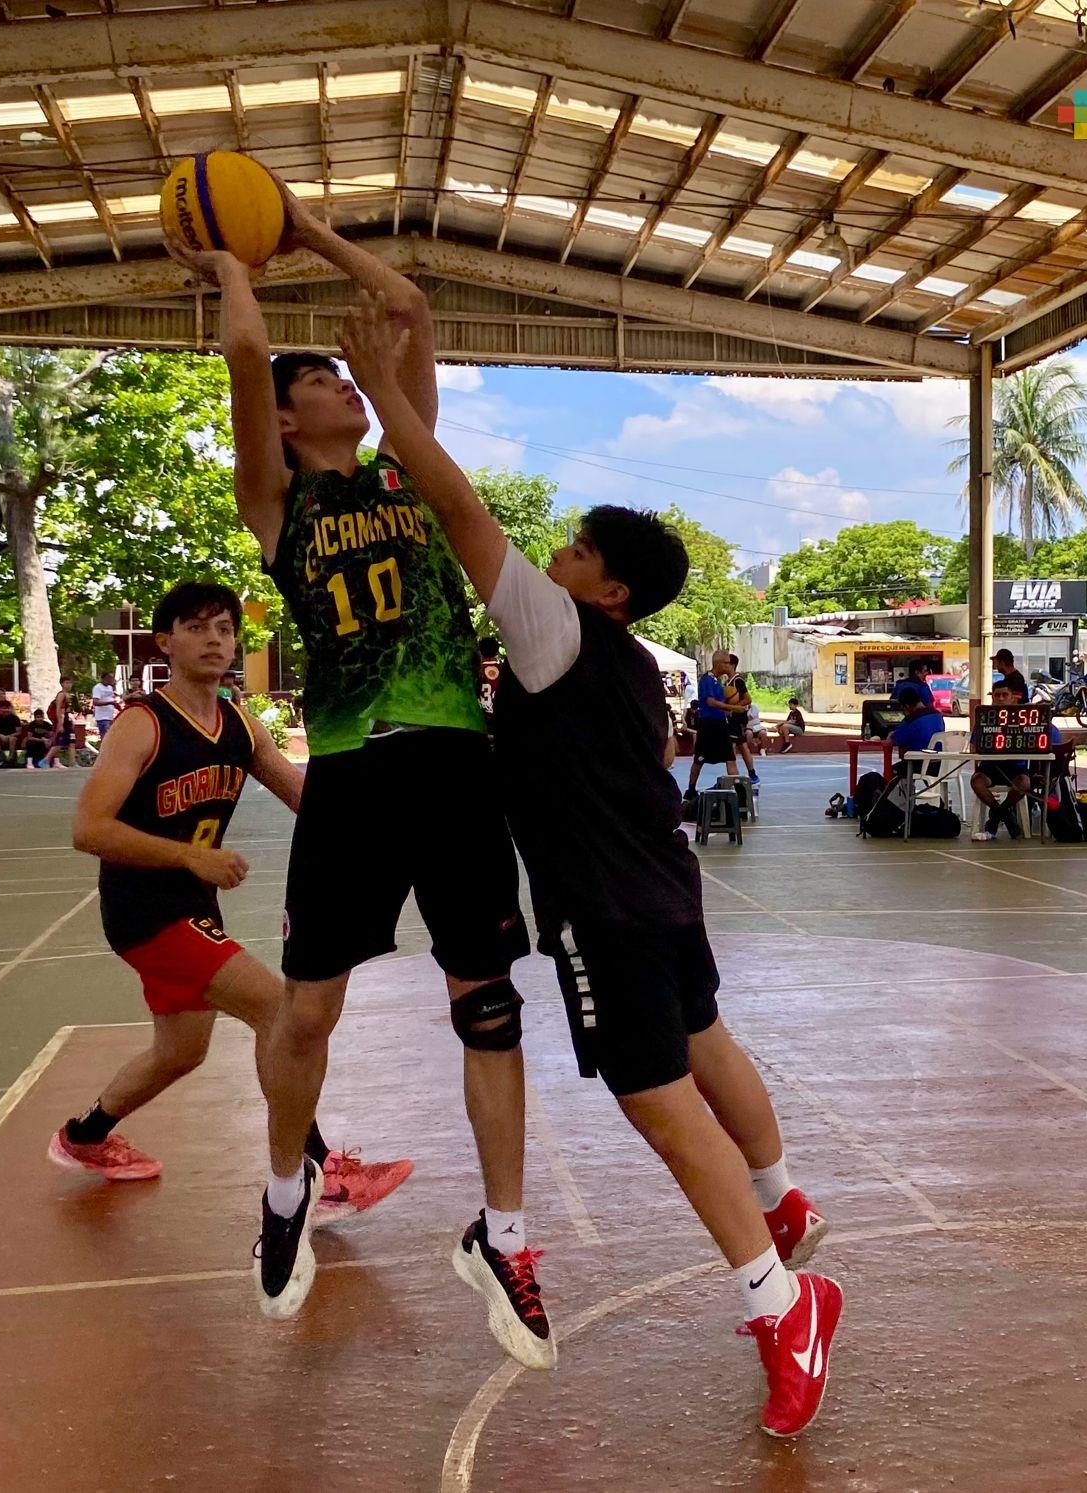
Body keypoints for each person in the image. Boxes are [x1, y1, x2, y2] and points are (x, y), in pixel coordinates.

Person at [338, 291, 840, 1437]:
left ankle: (782, 1300)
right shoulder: (628, 662)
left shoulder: (554, 631)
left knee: (657, 1101)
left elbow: (457, 507)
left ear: (604, 586)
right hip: (666, 888)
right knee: (707, 1041)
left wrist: (389, 394)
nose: (547, 554)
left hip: (606, 908)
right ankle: (780, 1197)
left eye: (570, 549)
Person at [176, 188, 545, 1365]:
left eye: (344, 380)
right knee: (311, 1006)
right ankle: (286, 1187)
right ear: (285, 424)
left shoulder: (404, 476)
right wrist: (239, 257)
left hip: (454, 765)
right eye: (320, 384)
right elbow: (243, 351)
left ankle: (506, 1230)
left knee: (487, 1001)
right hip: (350, 770)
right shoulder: (278, 502)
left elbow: (407, 307)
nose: (343, 384)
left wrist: (312, 233)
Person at [61, 580, 412, 1219]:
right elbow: (89, 828)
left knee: (181, 1051)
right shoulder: (143, 724)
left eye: (225, 628)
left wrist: (385, 820)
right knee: (281, 1012)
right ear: (165, 642)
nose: (216, 639)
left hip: (194, 909)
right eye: (197, 628)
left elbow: (307, 799)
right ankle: (318, 1175)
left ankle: (84, 1136)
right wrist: (190, 855)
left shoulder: (238, 724)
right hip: (147, 910)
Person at [968, 682, 1062, 842]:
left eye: (1005, 695)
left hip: (1016, 769)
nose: (1000, 699)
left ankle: (996, 817)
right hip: (989, 768)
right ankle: (1007, 815)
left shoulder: (1026, 718)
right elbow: (973, 748)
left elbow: (1051, 736)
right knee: (976, 782)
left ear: (1013, 698)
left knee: (1025, 784)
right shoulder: (984, 719)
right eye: (997, 695)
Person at [687, 651, 737, 797]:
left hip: (720, 723)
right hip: (708, 724)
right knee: (700, 758)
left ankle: (739, 792)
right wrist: (731, 707)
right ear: (719, 664)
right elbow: (710, 702)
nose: (729, 666)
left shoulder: (719, 681)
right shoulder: (707, 680)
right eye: (727, 663)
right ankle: (691, 789)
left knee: (730, 758)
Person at [888, 684, 946, 760]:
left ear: (907, 706)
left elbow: (892, 741)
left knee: (890, 771)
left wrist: (891, 734)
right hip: (939, 763)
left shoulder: (911, 720)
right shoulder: (937, 715)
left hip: (917, 763)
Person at [726, 670, 759, 783]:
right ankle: (751, 774)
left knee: (735, 747)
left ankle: (737, 778)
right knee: (741, 745)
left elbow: (748, 699)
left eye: (727, 663)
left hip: (738, 718)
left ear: (732, 665)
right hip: (733, 719)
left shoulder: (738, 681)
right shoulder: (728, 681)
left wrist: (733, 707)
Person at [42, 675, 75, 770]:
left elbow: (68, 710)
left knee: (72, 742)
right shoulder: (61, 695)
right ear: (62, 684)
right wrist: (60, 724)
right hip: (61, 721)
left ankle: (72, 763)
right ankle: (45, 760)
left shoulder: (69, 696)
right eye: (66, 683)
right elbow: (58, 709)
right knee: (60, 743)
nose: (69, 685)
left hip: (68, 720)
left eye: (70, 683)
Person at [0, 690, 23, 766]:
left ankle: (11, 759)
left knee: (12, 739)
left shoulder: (15, 718)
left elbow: (18, 731)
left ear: (10, 708)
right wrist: (2, 736)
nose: (5, 710)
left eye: (7, 708)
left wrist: (9, 736)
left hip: (12, 737)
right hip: (1, 737)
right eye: (3, 708)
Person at [476, 636, 503, 733]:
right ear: (496, 651)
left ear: (480, 651)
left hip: (481, 718)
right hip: (500, 716)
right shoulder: (504, 670)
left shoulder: (477, 671)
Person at [90, 671, 119, 739]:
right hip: (102, 717)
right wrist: (110, 703)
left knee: (111, 736)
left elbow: (110, 698)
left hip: (110, 716)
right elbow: (96, 702)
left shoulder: (110, 687)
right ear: (105, 678)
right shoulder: (98, 688)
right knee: (105, 737)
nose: (112, 680)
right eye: (110, 678)